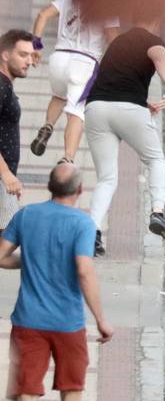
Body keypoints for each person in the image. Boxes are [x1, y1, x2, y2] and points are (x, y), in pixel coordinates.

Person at [0, 163, 114, 401]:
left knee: (25, 391)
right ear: (80, 189)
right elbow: (84, 270)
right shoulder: (83, 224)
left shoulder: (26, 214)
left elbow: (1, 256)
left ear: (50, 187)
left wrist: (30, 257)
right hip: (68, 323)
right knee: (72, 388)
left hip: (28, 320)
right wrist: (101, 320)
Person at [84, 13, 165, 255]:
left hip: (96, 108)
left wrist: (141, 100)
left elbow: (117, 78)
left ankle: (92, 234)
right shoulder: (152, 40)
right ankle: (157, 212)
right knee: (155, 160)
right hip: (128, 110)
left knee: (107, 178)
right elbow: (159, 57)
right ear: (155, 19)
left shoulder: (117, 42)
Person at [29, 0, 120, 165]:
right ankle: (68, 158)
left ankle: (48, 125)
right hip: (85, 62)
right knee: (77, 113)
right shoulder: (109, 5)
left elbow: (42, 15)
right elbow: (114, 40)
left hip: (59, 58)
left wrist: (37, 46)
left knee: (58, 96)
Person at [0, 30, 36, 230]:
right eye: (23, 55)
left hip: (5, 180)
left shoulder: (6, 86)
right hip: (2, 177)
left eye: (31, 55)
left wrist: (9, 177)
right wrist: (6, 174)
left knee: (6, 241)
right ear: (5, 55)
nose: (30, 61)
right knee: (7, 241)